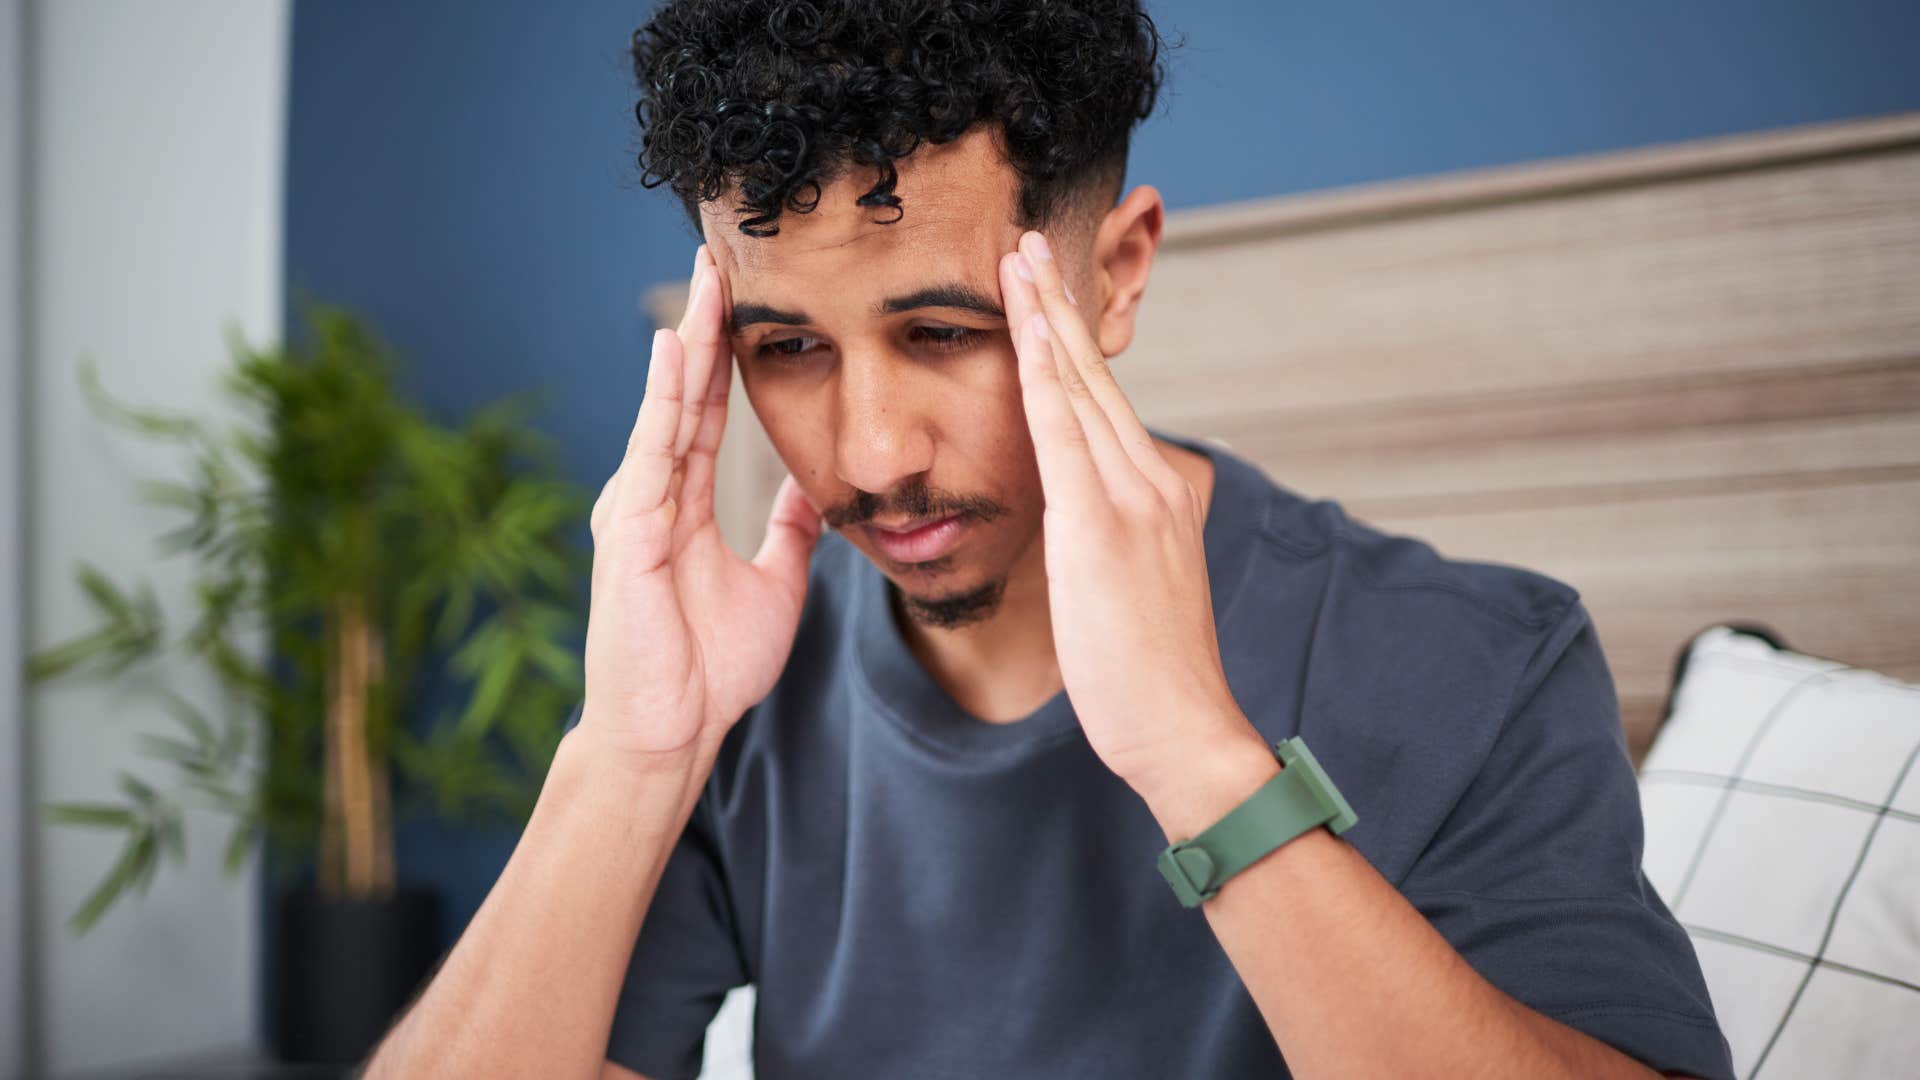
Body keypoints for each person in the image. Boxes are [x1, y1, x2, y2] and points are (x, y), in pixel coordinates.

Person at [367, 2, 1735, 1077]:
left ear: (1117, 273)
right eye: (786, 348)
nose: (870, 454)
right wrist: (630, 756)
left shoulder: (1473, 662)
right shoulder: (740, 699)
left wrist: (1199, 760)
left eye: (946, 334)